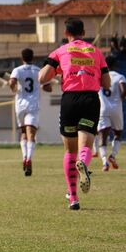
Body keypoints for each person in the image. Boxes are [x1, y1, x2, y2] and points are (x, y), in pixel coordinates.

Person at [39, 18, 110, 211]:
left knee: (69, 151)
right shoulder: (96, 51)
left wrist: (59, 70)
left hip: (69, 100)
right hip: (90, 100)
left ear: (65, 33)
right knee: (85, 145)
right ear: (84, 31)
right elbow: (107, 83)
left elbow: (42, 77)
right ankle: (84, 163)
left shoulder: (60, 51)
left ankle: (73, 198)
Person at [8, 48, 52, 176]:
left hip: (20, 105)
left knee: (23, 133)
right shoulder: (38, 71)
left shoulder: (17, 70)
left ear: (22, 58)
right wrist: (45, 87)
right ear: (33, 58)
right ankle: (29, 158)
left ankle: (24, 157)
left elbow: (12, 82)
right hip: (33, 105)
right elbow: (47, 87)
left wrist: (14, 89)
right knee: (31, 134)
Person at [97, 56, 126, 170]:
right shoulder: (120, 77)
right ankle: (113, 156)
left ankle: (104, 162)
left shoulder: (99, 77)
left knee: (102, 135)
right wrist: (119, 100)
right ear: (115, 65)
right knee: (118, 133)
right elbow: (124, 92)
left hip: (103, 108)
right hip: (116, 109)